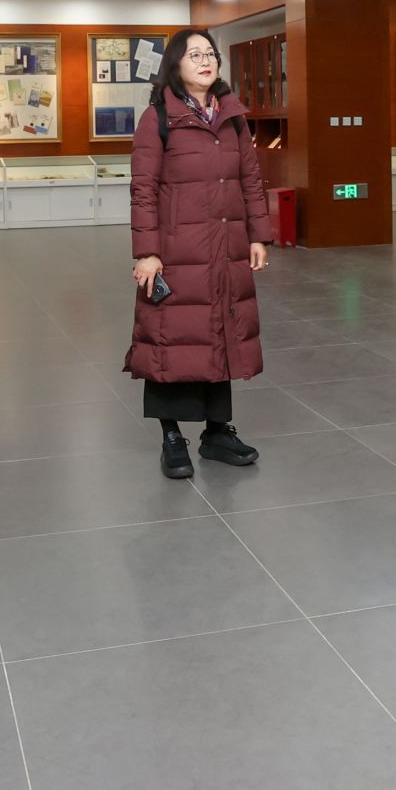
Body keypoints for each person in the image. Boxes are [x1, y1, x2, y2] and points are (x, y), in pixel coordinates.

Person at [126, 26, 273, 480]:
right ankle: (172, 436)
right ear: (175, 64)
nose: (206, 60)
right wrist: (147, 252)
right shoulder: (158, 117)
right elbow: (143, 189)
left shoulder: (232, 116)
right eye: (195, 54)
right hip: (176, 251)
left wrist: (258, 235)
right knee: (171, 337)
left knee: (221, 332)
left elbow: (250, 179)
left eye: (210, 53)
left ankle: (217, 432)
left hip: (225, 248)